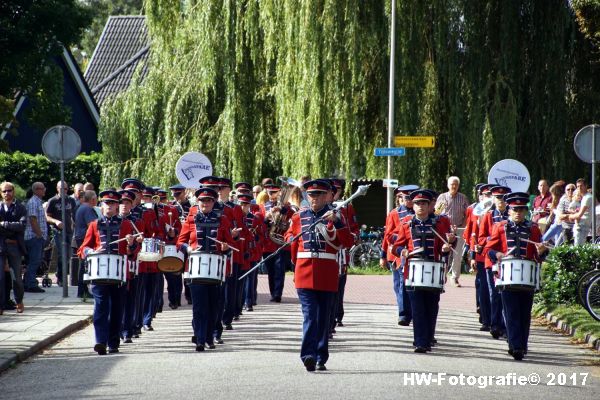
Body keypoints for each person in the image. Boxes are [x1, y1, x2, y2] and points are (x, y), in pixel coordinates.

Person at [285, 179, 353, 371]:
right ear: (307, 196)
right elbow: (290, 237)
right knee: (310, 316)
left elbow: (346, 241)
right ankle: (308, 354)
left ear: (326, 197)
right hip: (304, 271)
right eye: (311, 195)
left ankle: (321, 355)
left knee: (323, 317)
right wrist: (291, 238)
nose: (314, 198)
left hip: (327, 272)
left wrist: (338, 222)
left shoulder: (335, 216)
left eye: (319, 195)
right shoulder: (299, 217)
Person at [484, 192, 548, 360]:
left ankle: (521, 344)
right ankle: (516, 346)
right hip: (507, 275)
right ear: (509, 210)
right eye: (515, 209)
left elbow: (539, 255)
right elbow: (489, 249)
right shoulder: (501, 227)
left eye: (521, 209)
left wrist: (542, 251)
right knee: (511, 312)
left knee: (524, 313)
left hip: (527, 276)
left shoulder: (533, 228)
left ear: (525, 211)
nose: (518, 212)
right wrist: (497, 255)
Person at [391, 189, 455, 353]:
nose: (421, 206)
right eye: (418, 203)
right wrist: (403, 252)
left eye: (424, 203)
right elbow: (396, 247)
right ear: (413, 205)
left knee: (431, 307)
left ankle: (427, 338)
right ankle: (420, 342)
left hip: (433, 270)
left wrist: (447, 247)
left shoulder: (438, 224)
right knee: (417, 308)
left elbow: (444, 247)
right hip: (413, 271)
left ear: (429, 206)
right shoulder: (406, 224)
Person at [78, 190, 140, 355]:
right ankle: (100, 341)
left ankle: (113, 342)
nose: (109, 206)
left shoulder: (126, 225)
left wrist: (131, 244)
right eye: (106, 203)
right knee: (100, 308)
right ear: (101, 205)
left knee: (117, 309)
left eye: (112, 204)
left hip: (119, 274)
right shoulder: (94, 224)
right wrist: (93, 251)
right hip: (99, 273)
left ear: (117, 206)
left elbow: (132, 253)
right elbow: (82, 249)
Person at [177, 187, 236, 352]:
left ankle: (209, 337)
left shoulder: (222, 220)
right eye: (203, 201)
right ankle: (200, 339)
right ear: (198, 202)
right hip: (196, 269)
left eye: (209, 201)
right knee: (199, 307)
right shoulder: (190, 220)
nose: (205, 203)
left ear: (213, 203)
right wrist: (188, 249)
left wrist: (225, 247)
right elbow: (180, 242)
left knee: (213, 306)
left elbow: (230, 245)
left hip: (215, 269)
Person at [381, 184, 418, 326]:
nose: (409, 201)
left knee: (410, 284)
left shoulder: (419, 213)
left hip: (414, 255)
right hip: (398, 255)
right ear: (401, 197)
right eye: (407, 197)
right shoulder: (395, 213)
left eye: (411, 197)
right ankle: (403, 313)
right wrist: (383, 254)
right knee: (400, 285)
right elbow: (388, 235)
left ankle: (411, 312)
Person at [477, 185, 511, 337]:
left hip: (509, 260)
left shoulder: (513, 215)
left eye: (504, 198)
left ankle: (504, 326)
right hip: (492, 259)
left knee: (506, 294)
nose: (501, 201)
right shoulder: (488, 216)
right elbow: (481, 238)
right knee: (494, 293)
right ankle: (495, 324)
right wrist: (492, 239)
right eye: (498, 198)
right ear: (494, 199)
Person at [434, 176, 469, 287]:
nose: (454, 186)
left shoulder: (463, 198)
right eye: (452, 184)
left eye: (456, 184)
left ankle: (454, 278)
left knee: (457, 254)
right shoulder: (442, 197)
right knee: (443, 252)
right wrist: (447, 225)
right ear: (448, 185)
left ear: (458, 186)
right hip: (444, 230)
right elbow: (437, 213)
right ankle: (441, 274)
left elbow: (468, 215)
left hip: (459, 229)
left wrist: (463, 226)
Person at [0, 182, 27, 314]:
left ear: (13, 192)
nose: (7, 193)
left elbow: (22, 225)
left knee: (16, 278)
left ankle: (19, 301)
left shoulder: (20, 207)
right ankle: (1, 304)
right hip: (1, 245)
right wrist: (11, 228)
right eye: (4, 191)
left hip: (15, 245)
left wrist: (4, 224)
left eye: (9, 190)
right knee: (1, 277)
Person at [46, 181, 77, 286]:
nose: (64, 191)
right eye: (61, 189)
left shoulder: (71, 200)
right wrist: (56, 221)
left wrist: (74, 223)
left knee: (68, 255)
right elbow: (47, 216)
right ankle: (61, 278)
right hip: (58, 231)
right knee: (62, 254)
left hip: (69, 231)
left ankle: (60, 275)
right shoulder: (53, 201)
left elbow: (74, 214)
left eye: (66, 189)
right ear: (57, 189)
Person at [23, 182, 48, 292]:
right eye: (42, 189)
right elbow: (33, 220)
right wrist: (39, 235)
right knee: (34, 261)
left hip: (35, 237)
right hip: (34, 237)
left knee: (33, 261)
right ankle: (31, 284)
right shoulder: (33, 202)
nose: (44, 191)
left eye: (43, 188)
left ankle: (27, 283)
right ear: (36, 190)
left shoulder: (37, 202)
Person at [73, 190, 98, 298]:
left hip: (80, 237)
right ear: (92, 199)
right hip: (85, 239)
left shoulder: (82, 207)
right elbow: (92, 225)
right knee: (84, 265)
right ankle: (83, 291)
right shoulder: (88, 209)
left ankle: (82, 291)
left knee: (83, 265)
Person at [569, 179, 594, 245]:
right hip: (580, 225)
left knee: (578, 248)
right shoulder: (584, 197)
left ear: (586, 186)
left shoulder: (588, 197)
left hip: (582, 226)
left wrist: (570, 216)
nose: (579, 188)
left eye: (581, 186)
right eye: (578, 186)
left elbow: (580, 214)